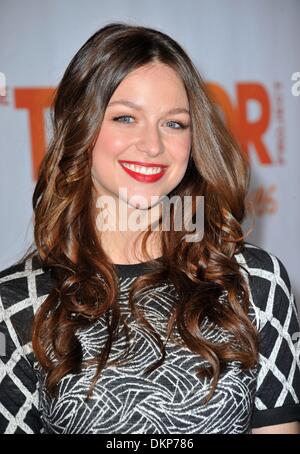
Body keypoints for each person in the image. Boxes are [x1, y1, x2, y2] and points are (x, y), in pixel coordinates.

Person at [0, 22, 299, 435]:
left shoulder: (252, 283)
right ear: (79, 126)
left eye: (174, 123)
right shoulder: (18, 305)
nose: (153, 145)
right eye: (126, 117)